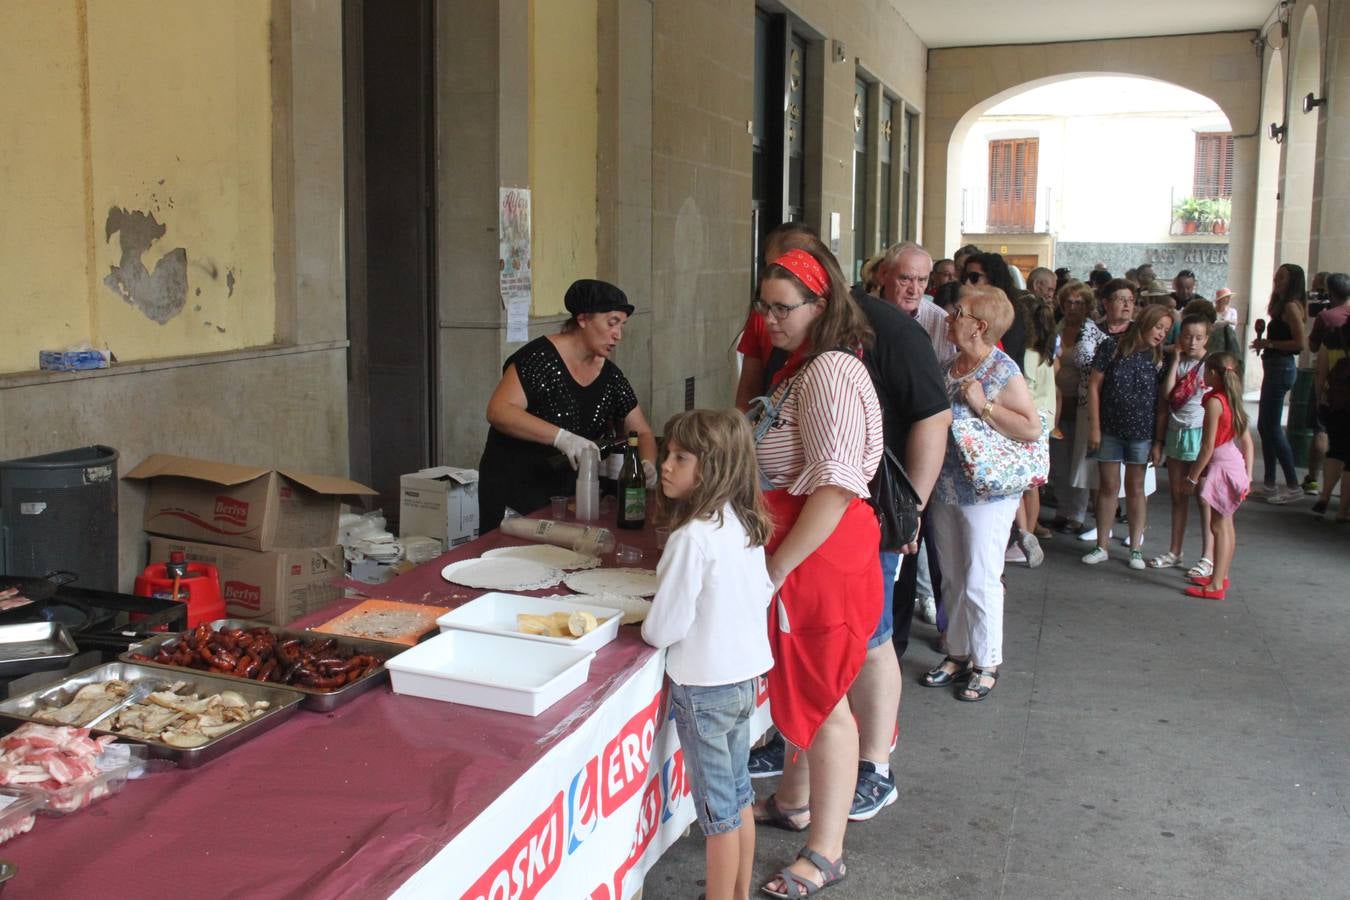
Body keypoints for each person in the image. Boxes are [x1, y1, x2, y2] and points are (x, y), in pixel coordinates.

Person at [748, 245, 883, 897]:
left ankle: (826, 852)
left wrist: (776, 568)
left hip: (818, 555)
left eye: (782, 307)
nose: (769, 319)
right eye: (764, 305)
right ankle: (794, 803)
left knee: (826, 700)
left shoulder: (828, 370)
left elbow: (834, 486)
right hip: (806, 548)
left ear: (820, 305)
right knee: (801, 687)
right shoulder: (808, 365)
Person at [641, 409, 774, 900]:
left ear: (713, 467)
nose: (666, 466)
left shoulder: (690, 537)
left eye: (681, 457)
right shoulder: (743, 523)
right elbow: (760, 591)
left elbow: (665, 627)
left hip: (704, 688)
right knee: (739, 797)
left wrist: (647, 626)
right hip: (744, 682)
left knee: (717, 816)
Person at [921, 284, 1042, 702]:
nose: (950, 317)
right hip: (947, 485)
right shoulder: (950, 365)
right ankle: (956, 653)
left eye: (959, 312)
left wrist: (984, 406)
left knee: (981, 576)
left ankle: (986, 661)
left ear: (980, 326)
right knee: (951, 575)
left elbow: (1030, 427)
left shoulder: (1000, 369)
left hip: (988, 491)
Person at [478, 279, 657, 532]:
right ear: (583, 319)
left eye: (622, 325)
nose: (618, 334)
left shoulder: (610, 376)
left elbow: (642, 431)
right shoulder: (538, 359)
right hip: (515, 488)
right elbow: (499, 410)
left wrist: (647, 464)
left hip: (566, 495)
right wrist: (562, 437)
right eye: (612, 322)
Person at [1082, 304, 1175, 568]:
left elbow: (1161, 403)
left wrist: (1158, 441)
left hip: (1142, 432)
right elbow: (1094, 385)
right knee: (1108, 487)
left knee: (1136, 489)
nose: (1161, 334)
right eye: (1158, 327)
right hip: (1110, 428)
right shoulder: (1112, 347)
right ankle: (1102, 544)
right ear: (1146, 321)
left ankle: (1136, 547)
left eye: (1166, 331)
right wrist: (1095, 427)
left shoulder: (1158, 359)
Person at [1182, 353, 1255, 600]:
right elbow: (1247, 443)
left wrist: (1192, 477)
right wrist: (1249, 475)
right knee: (1227, 524)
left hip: (1221, 466)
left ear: (1214, 373)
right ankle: (1220, 576)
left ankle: (1215, 585)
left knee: (1218, 526)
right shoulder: (1231, 400)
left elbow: (1207, 447)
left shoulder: (1214, 402)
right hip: (1233, 463)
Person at [1071, 278, 1137, 544]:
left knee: (1134, 475)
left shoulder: (1140, 332)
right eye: (1121, 299)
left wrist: (1108, 363)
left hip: (1132, 410)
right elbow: (1083, 359)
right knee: (1098, 471)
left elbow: (1149, 365)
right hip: (1094, 408)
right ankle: (1103, 527)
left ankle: (1136, 530)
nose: (1126, 305)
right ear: (1106, 302)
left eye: (1131, 300)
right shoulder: (1091, 328)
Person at [1149, 314, 1214, 572]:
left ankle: (1207, 556)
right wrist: (1175, 359)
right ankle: (1175, 551)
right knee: (1178, 496)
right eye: (1187, 337)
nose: (1193, 342)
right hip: (1177, 433)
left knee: (1204, 497)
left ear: (1207, 339)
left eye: (1199, 338)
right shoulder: (1177, 362)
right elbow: (1166, 395)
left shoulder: (1211, 365)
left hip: (1201, 434)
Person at [735, 222, 821, 411]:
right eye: (770, 270)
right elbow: (748, 391)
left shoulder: (831, 367)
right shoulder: (761, 316)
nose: (770, 319)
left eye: (782, 308)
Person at [1252, 263, 1309, 504]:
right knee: (1266, 426)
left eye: (1283, 277)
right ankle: (1269, 483)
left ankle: (1293, 485)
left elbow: (1299, 343)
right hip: (1275, 366)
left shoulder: (1290, 306)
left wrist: (1271, 345)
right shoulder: (1283, 305)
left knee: (1272, 427)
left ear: (1293, 281)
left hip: (1282, 367)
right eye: (1277, 275)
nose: (1277, 280)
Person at [1048, 280, 1097, 533]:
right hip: (1056, 402)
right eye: (1068, 301)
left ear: (1087, 306)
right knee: (1058, 460)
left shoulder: (1091, 332)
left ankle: (1077, 514)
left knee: (1079, 461)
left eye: (1078, 302)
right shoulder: (1056, 328)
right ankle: (1062, 509)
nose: (1073, 307)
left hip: (1081, 404)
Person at [1015, 295, 1057, 561]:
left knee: (1023, 485)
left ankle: (1025, 537)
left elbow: (1025, 392)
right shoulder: (1046, 353)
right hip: (1044, 422)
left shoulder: (1028, 355)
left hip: (1030, 421)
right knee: (1033, 485)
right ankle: (1028, 535)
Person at [1311, 274, 1350, 518]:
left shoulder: (1332, 336)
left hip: (1336, 403)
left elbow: (1320, 373)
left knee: (1336, 451)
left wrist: (1320, 400)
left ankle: (1324, 495)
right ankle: (1343, 510)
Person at [963, 252, 1027, 371]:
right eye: (964, 277)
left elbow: (1007, 355)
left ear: (993, 278)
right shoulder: (969, 309)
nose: (966, 283)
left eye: (974, 277)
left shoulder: (1010, 313)